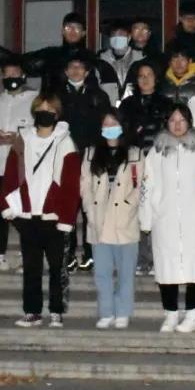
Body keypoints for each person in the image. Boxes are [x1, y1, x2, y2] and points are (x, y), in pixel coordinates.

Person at [0, 94, 81, 328]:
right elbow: (10, 175)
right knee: (31, 268)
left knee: (57, 268)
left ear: (57, 114)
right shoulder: (22, 140)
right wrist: (7, 206)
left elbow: (71, 184)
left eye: (50, 109)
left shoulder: (65, 142)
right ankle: (32, 311)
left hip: (53, 217)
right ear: (34, 112)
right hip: (27, 216)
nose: (45, 113)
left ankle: (56, 311)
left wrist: (66, 218)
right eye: (41, 109)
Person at [139, 103, 195, 333]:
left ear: (189, 122)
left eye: (182, 120)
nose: (177, 124)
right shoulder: (157, 152)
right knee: (166, 267)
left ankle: (193, 313)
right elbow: (147, 185)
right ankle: (171, 313)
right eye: (173, 120)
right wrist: (146, 217)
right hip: (165, 219)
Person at [80, 110, 144, 328]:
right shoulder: (90, 153)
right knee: (102, 272)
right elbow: (85, 185)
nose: (109, 128)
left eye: (113, 123)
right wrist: (89, 209)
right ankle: (106, 312)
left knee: (126, 272)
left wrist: (128, 205)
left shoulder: (135, 153)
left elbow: (142, 185)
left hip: (125, 220)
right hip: (99, 219)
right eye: (105, 124)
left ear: (122, 126)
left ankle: (123, 312)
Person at [0, 62, 35, 274]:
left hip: (23, 167)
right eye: (7, 74)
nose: (11, 77)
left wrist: (20, 137)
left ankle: (27, 257)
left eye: (15, 73)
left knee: (24, 213)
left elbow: (44, 129)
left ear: (23, 75)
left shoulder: (34, 100)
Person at [58, 51, 112, 273]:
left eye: (80, 67)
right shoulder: (58, 96)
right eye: (72, 67)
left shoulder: (99, 96)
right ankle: (68, 254)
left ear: (87, 72)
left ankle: (91, 254)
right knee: (69, 208)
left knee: (92, 207)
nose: (75, 71)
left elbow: (107, 126)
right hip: (66, 158)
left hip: (92, 158)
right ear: (65, 71)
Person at [117, 60, 170, 275]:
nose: (145, 79)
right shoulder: (128, 105)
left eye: (149, 75)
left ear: (156, 78)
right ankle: (141, 258)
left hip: (160, 163)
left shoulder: (166, 103)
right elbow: (121, 134)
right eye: (141, 76)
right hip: (134, 163)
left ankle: (159, 257)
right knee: (137, 211)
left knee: (159, 210)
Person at [0, 10, 117, 96]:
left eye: (77, 28)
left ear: (83, 33)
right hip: (53, 114)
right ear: (62, 31)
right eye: (68, 28)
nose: (72, 31)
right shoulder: (50, 55)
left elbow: (102, 93)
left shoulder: (91, 59)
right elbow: (20, 62)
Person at [97, 20, 144, 104]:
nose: (117, 38)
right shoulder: (100, 60)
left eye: (121, 34)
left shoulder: (141, 59)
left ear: (129, 37)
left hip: (135, 108)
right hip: (108, 109)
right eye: (113, 35)